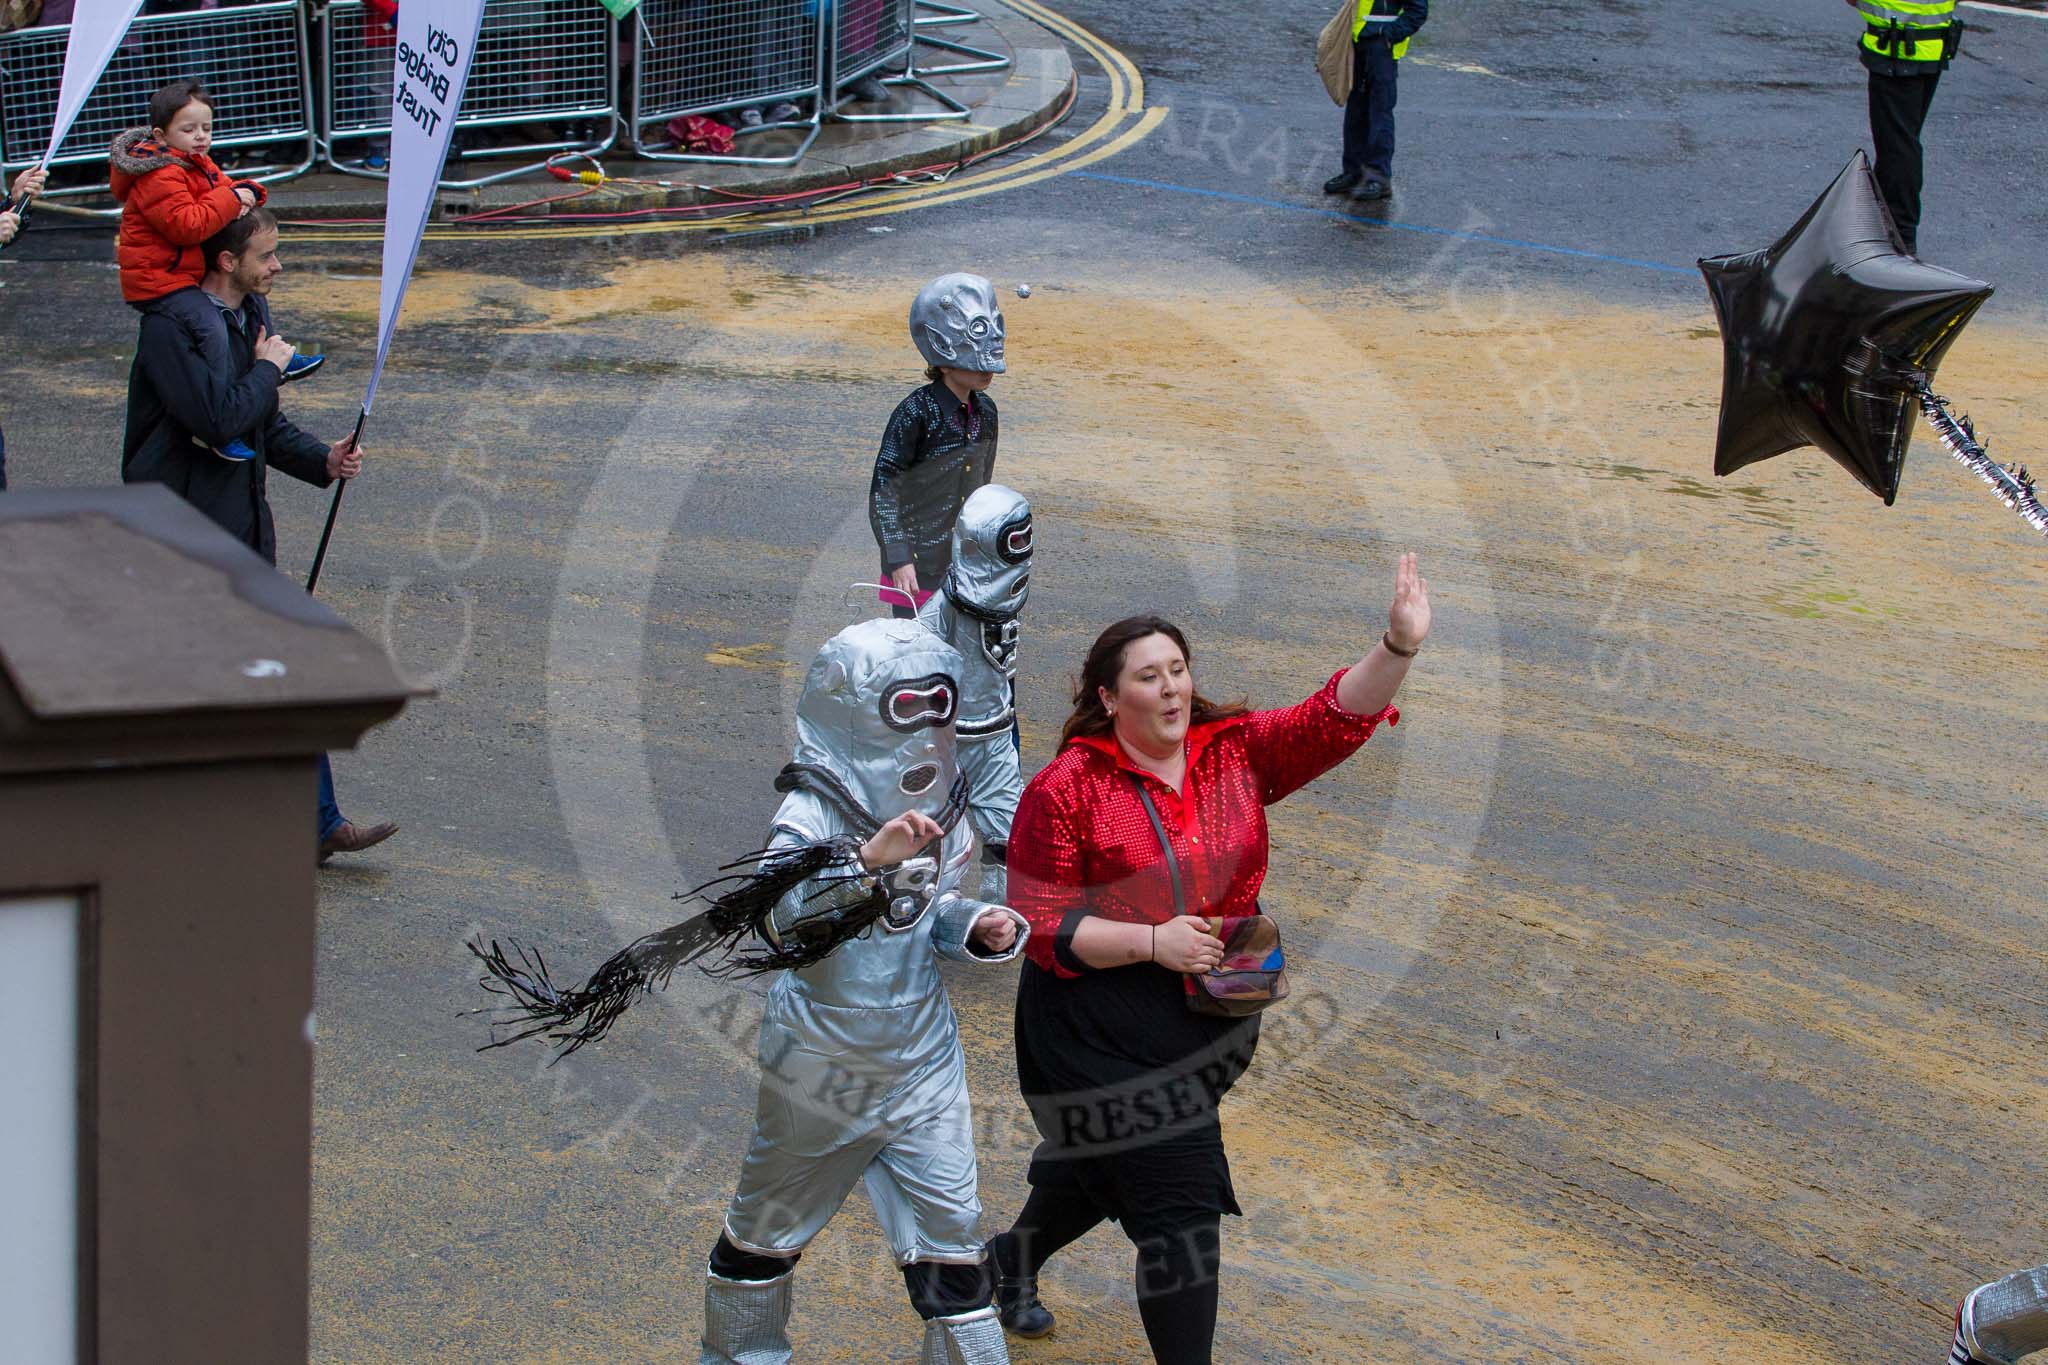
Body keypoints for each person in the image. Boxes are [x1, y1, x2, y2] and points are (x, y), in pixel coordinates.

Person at [989, 555, 1432, 1363]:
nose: (1171, 689)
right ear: (1107, 696)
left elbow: (1330, 719)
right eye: (1149, 677)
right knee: (1179, 1195)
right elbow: (1038, 921)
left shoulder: (1235, 750)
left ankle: (1009, 1259)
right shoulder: (1066, 786)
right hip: (1094, 1020)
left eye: (1179, 670)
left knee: (1111, 1162)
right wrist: (1151, 941)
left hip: (1215, 1004)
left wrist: (1396, 648)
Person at [121, 207, 397, 864]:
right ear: (227, 259)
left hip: (238, 529)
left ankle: (316, 821)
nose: (277, 266)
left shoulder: (250, 320)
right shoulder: (171, 328)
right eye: (267, 255)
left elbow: (259, 424)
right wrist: (270, 369)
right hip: (179, 536)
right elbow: (218, 418)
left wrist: (320, 461)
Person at [110, 79, 322, 462]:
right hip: (160, 282)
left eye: (206, 128)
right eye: (189, 130)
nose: (200, 137)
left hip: (179, 273)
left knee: (252, 301)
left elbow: (226, 188)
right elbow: (188, 224)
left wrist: (250, 191)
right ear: (161, 134)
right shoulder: (159, 174)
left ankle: (275, 355)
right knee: (210, 327)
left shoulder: (193, 163)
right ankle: (218, 425)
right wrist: (232, 197)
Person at [916, 484, 1033, 900]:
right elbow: (917, 650)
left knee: (1009, 838)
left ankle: (999, 915)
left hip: (995, 734)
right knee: (929, 839)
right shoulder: (945, 607)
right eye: (1013, 541)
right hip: (946, 738)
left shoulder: (1003, 599)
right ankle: (920, 917)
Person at [870, 273, 1004, 619]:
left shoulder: (986, 412)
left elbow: (981, 490)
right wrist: (898, 558)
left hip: (964, 563)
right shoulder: (916, 413)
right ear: (943, 362)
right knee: (917, 656)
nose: (985, 372)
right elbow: (885, 489)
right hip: (915, 567)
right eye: (973, 363)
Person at [1846, 0, 1957, 255]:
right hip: (1933, 44)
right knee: (1902, 143)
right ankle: (1882, 230)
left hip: (1896, 49)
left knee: (1897, 149)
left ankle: (1900, 239)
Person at [1322, 0, 1428, 202]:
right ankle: (1353, 172)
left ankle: (1378, 178)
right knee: (1356, 113)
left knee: (1380, 114)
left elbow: (1418, 11)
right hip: (1357, 44)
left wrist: (1389, 36)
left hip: (1382, 49)